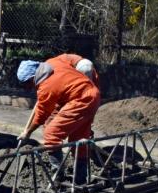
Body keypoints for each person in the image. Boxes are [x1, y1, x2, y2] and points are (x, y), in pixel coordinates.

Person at [17, 55, 101, 184]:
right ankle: (81, 177)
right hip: (92, 96)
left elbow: (41, 114)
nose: (27, 88)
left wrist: (28, 132)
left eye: (27, 84)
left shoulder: (46, 87)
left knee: (51, 133)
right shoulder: (52, 62)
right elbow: (72, 58)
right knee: (78, 139)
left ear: (32, 77)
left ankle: (57, 175)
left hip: (81, 100)